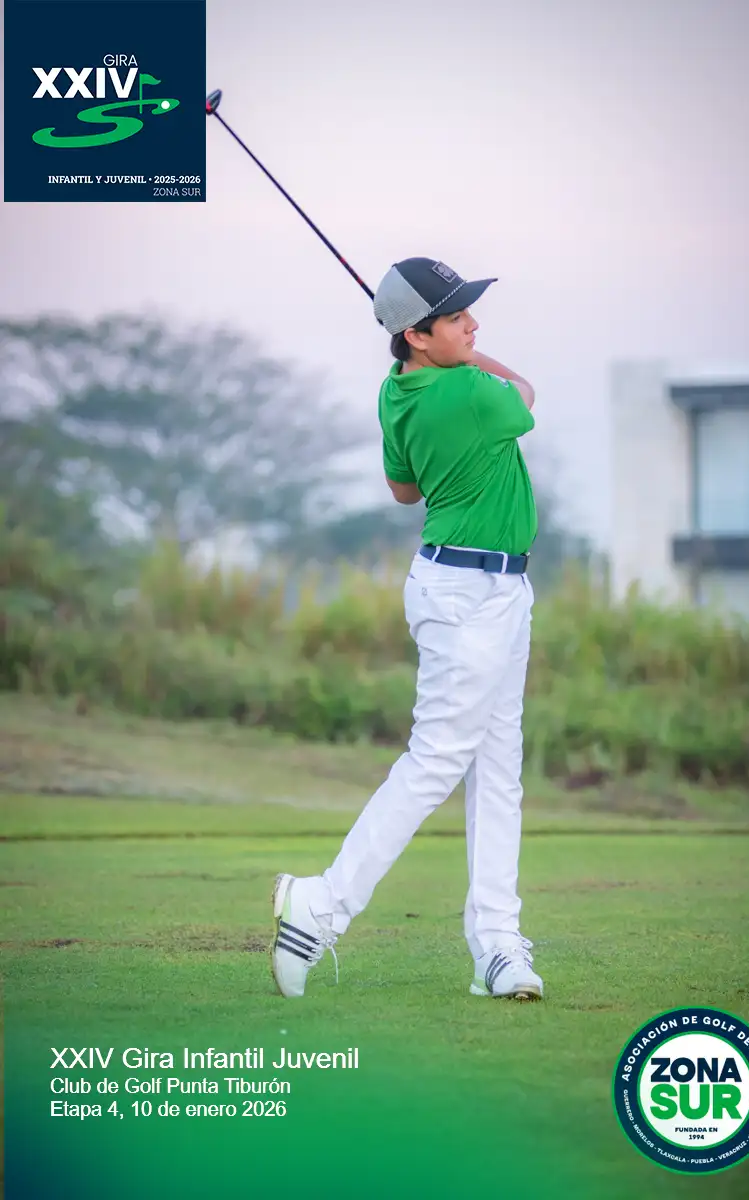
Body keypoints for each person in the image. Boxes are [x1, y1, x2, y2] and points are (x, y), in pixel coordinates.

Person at [271, 256, 542, 1001]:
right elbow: (525, 393)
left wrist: (436, 352)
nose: (474, 325)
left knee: (498, 766)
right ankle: (321, 904)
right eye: (457, 318)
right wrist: (471, 361)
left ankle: (497, 945)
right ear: (417, 334)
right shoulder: (469, 389)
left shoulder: (396, 389)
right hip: (468, 595)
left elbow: (402, 488)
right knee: (438, 758)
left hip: (487, 587)